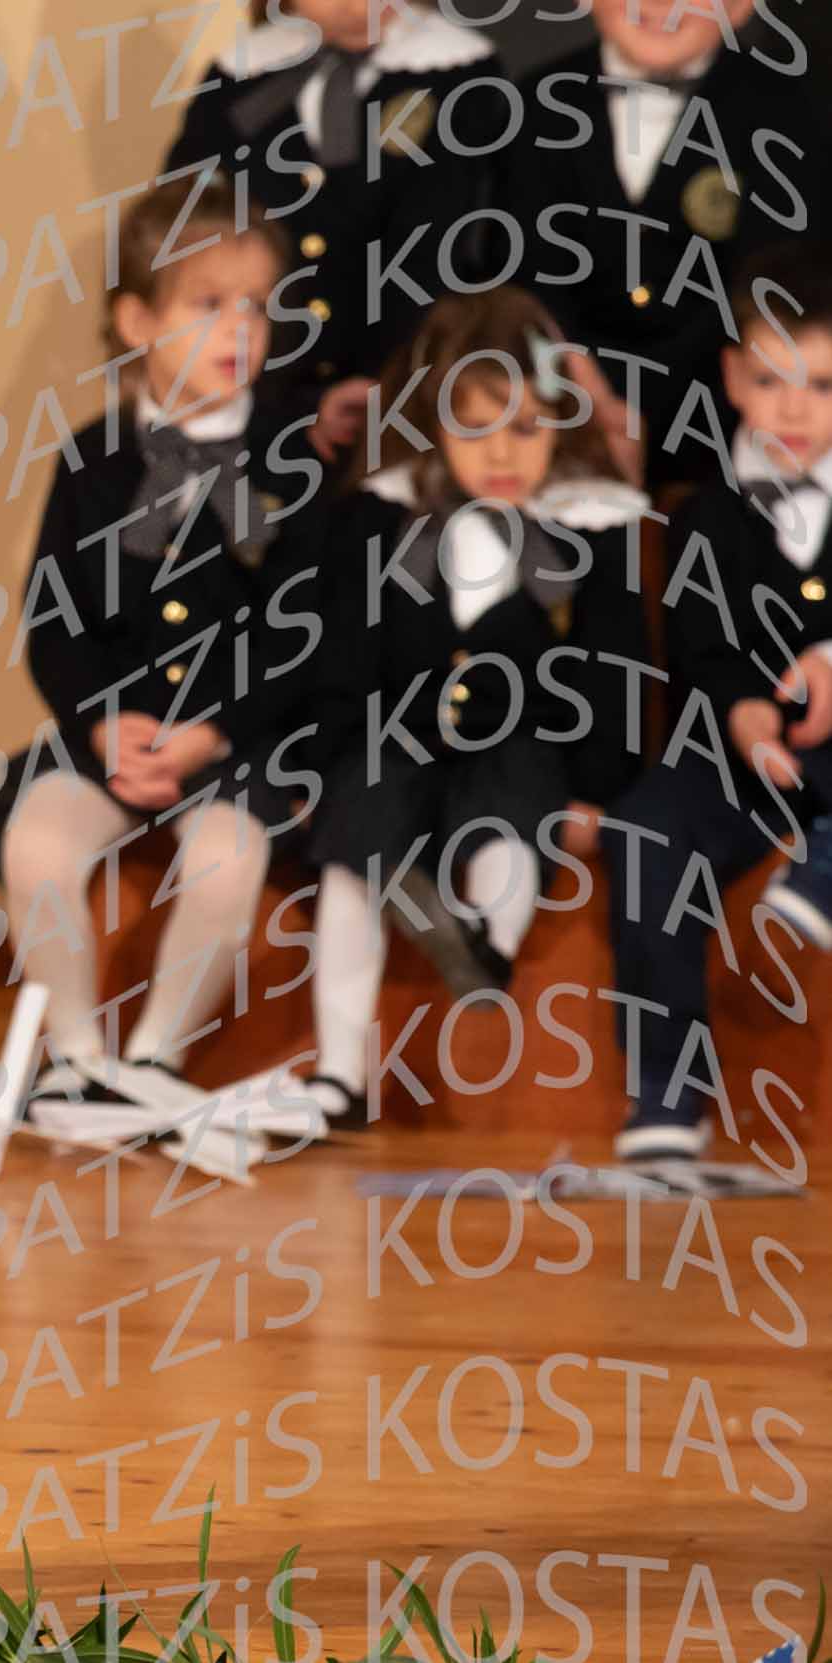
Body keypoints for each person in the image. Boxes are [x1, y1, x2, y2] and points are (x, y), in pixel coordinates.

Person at [252, 286, 651, 1132]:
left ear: (563, 423)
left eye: (526, 428)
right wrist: (319, 764)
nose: (501, 453)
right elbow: (341, 652)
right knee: (355, 845)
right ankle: (338, 1072)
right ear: (433, 426)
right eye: (474, 429)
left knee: (515, 815)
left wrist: (598, 787)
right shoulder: (380, 519)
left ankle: (483, 946)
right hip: (398, 733)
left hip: (525, 739)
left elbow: (616, 669)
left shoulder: (589, 527)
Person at [0, 177, 328, 1120]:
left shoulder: (293, 463)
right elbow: (54, 622)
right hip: (114, 735)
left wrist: (214, 732)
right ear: (137, 320)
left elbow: (299, 636)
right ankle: (76, 1056)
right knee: (37, 838)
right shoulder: (91, 464)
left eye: (256, 307)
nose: (240, 330)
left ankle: (155, 1060)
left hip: (236, 743)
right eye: (208, 305)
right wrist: (102, 725)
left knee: (227, 857)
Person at [601, 245, 832, 1160]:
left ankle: (823, 870)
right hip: (745, 751)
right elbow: (704, 646)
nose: (794, 410)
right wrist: (742, 711)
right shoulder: (706, 512)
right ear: (733, 378)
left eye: (821, 386)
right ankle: (666, 1088)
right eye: (771, 382)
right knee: (646, 829)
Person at [494, 0, 830, 490]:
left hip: (732, 426)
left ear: (740, 8)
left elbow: (773, 284)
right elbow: (526, 277)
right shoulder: (538, 99)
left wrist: (671, 404)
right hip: (566, 416)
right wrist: (590, 401)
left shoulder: (787, 109)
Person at [163, 0, 502, 459]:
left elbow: (443, 251)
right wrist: (283, 406)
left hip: (407, 400)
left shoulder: (458, 71)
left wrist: (387, 387)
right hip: (258, 399)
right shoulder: (239, 73)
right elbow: (188, 233)